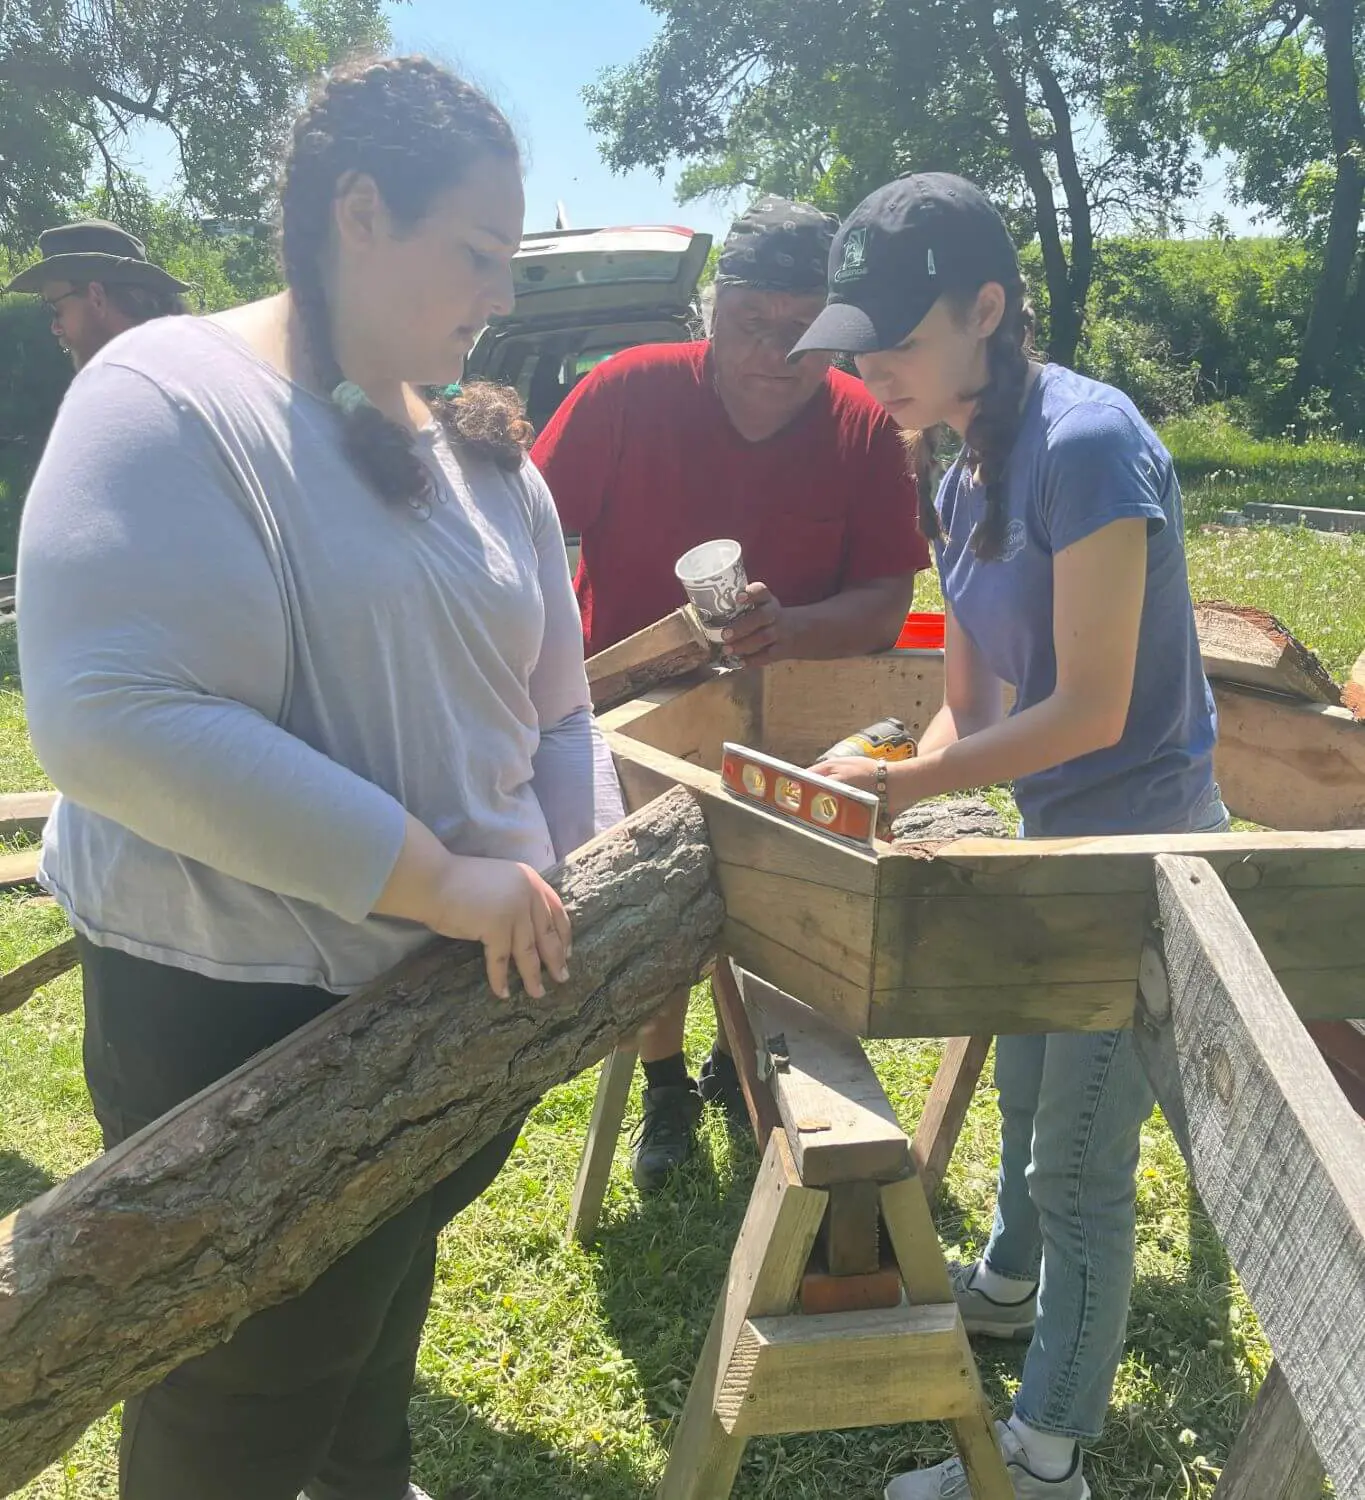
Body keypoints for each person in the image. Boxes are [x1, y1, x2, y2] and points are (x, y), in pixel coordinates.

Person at [17, 56, 622, 1500]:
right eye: (473, 253)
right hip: (233, 1016)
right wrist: (443, 878)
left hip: (449, 1006)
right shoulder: (169, 393)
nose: (501, 294)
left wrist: (584, 873)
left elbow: (562, 709)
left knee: (381, 1306)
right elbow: (112, 717)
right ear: (359, 210)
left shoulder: (484, 456)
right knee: (241, 1380)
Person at [793, 174, 1224, 1500]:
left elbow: (1089, 715)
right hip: (1053, 842)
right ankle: (1006, 1282)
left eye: (899, 341)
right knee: (1030, 1099)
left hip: (1132, 857)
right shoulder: (954, 464)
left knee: (1080, 1164)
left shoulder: (1088, 446)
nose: (873, 373)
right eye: (859, 347)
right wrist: (873, 772)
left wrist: (901, 793)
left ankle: (1044, 1464)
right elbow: (967, 714)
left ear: (987, 307)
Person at [532, 196, 930, 1193]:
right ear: (714, 311)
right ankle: (664, 1080)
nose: (772, 350)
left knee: (785, 894)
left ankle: (746, 1051)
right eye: (751, 321)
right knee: (649, 899)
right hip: (632, 710)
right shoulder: (627, 392)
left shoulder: (863, 427)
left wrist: (793, 628)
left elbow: (888, 596)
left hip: (792, 707)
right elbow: (522, 530)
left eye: (803, 332)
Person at [4, 219, 191, 370]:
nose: (55, 328)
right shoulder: (185, 366)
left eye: (55, 309)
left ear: (97, 298)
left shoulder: (121, 396)